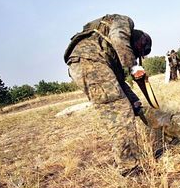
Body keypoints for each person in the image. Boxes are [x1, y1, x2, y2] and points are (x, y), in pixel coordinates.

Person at [63, 13, 152, 176]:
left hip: (84, 64)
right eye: (140, 51)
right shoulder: (124, 22)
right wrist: (133, 66)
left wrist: (135, 102)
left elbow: (118, 82)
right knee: (120, 114)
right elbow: (119, 38)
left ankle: (124, 159)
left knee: (122, 107)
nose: (137, 56)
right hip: (91, 62)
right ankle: (128, 167)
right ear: (140, 40)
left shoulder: (108, 47)